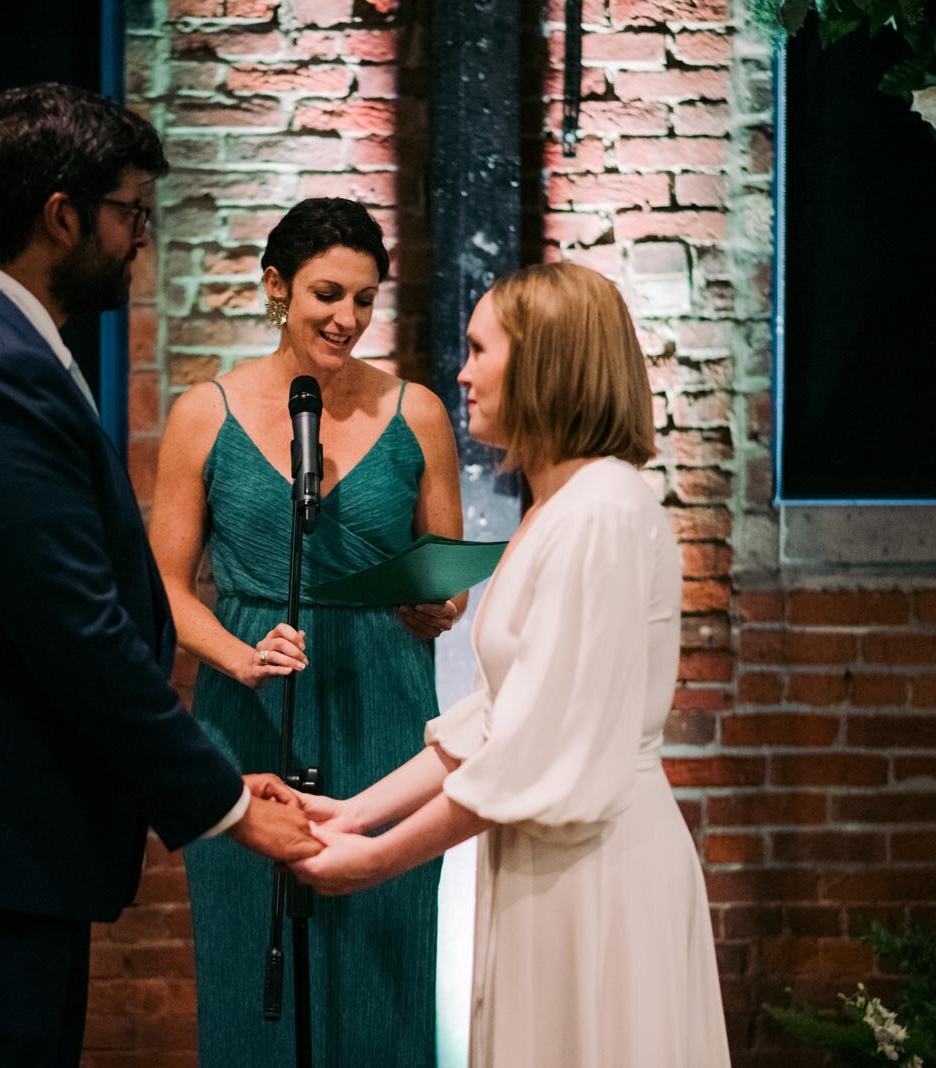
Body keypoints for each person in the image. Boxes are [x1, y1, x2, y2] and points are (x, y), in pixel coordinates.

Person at [0, 83, 320, 1068]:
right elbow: (75, 630)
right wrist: (224, 805)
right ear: (60, 216)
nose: (139, 239)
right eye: (129, 213)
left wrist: (213, 774)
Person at [289, 262, 731, 1067]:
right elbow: (496, 716)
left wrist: (374, 862)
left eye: (479, 348)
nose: (461, 371)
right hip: (551, 861)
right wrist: (352, 813)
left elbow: (529, 747)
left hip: (598, 873)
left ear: (544, 364)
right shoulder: (560, 507)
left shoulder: (599, 515)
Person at [149, 197, 465, 1066]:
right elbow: (164, 589)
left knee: (382, 970)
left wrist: (439, 605)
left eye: (365, 300)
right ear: (276, 286)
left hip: (385, 712)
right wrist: (237, 656)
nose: (348, 319)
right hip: (249, 716)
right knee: (253, 975)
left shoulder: (419, 414)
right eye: (329, 293)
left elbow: (444, 579)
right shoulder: (201, 415)